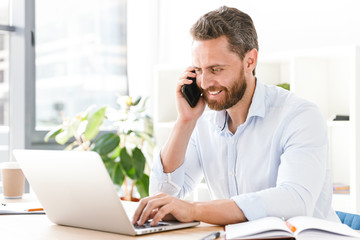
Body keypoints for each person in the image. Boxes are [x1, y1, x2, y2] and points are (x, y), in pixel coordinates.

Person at [132, 6, 339, 226]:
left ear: (250, 61)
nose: (204, 83)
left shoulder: (299, 116)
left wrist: (195, 209)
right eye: (199, 70)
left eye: (216, 69)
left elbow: (294, 200)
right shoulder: (202, 121)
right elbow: (161, 197)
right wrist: (185, 121)